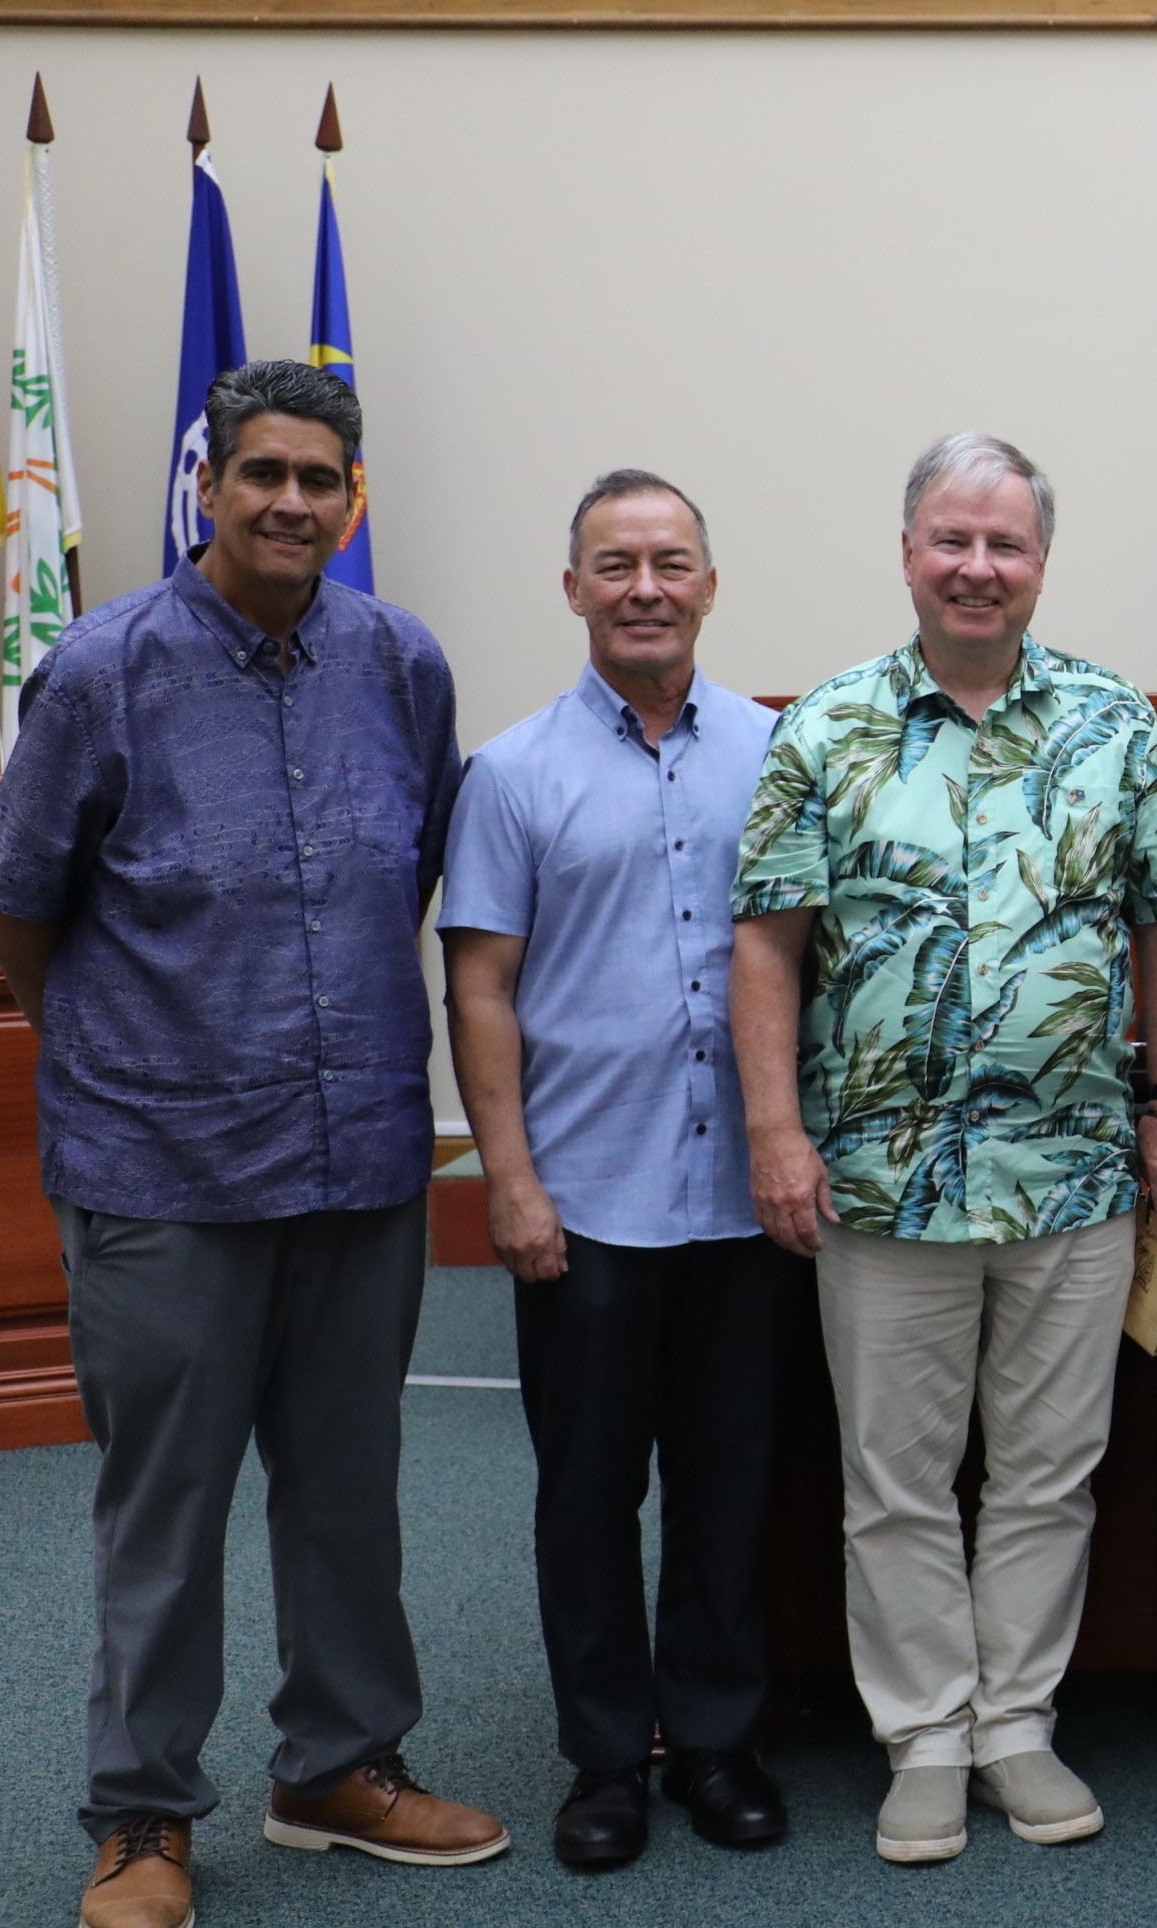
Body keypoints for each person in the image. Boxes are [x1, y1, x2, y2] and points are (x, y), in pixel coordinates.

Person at [0, 360, 505, 1928]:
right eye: (262, 473)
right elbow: (18, 904)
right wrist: (122, 1056)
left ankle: (339, 1766)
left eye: (320, 479)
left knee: (349, 1486)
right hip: (162, 1173)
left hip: (357, 1161)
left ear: (354, 500)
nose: (290, 502)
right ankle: (142, 1820)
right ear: (209, 485)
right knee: (170, 1504)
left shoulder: (404, 665)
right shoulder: (103, 670)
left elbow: (396, 880)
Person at [729, 431, 1157, 1868]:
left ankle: (1017, 1723)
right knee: (895, 1475)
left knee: (1049, 1469)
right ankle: (925, 1734)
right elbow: (768, 945)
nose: (977, 567)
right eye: (952, 540)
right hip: (877, 1177)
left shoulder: (1111, 722)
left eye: (1005, 545)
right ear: (906, 554)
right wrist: (775, 1132)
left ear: (1040, 565)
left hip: (1070, 1168)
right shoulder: (825, 727)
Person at [439, 469, 797, 1870]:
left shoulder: (781, 752)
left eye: (671, 561)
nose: (645, 586)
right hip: (584, 1199)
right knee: (586, 1496)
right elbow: (480, 988)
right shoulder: (514, 773)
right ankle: (602, 1759)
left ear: (710, 582)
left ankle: (712, 1743)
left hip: (745, 1202)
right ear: (574, 586)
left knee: (730, 1482)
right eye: (615, 563)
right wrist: (505, 1179)